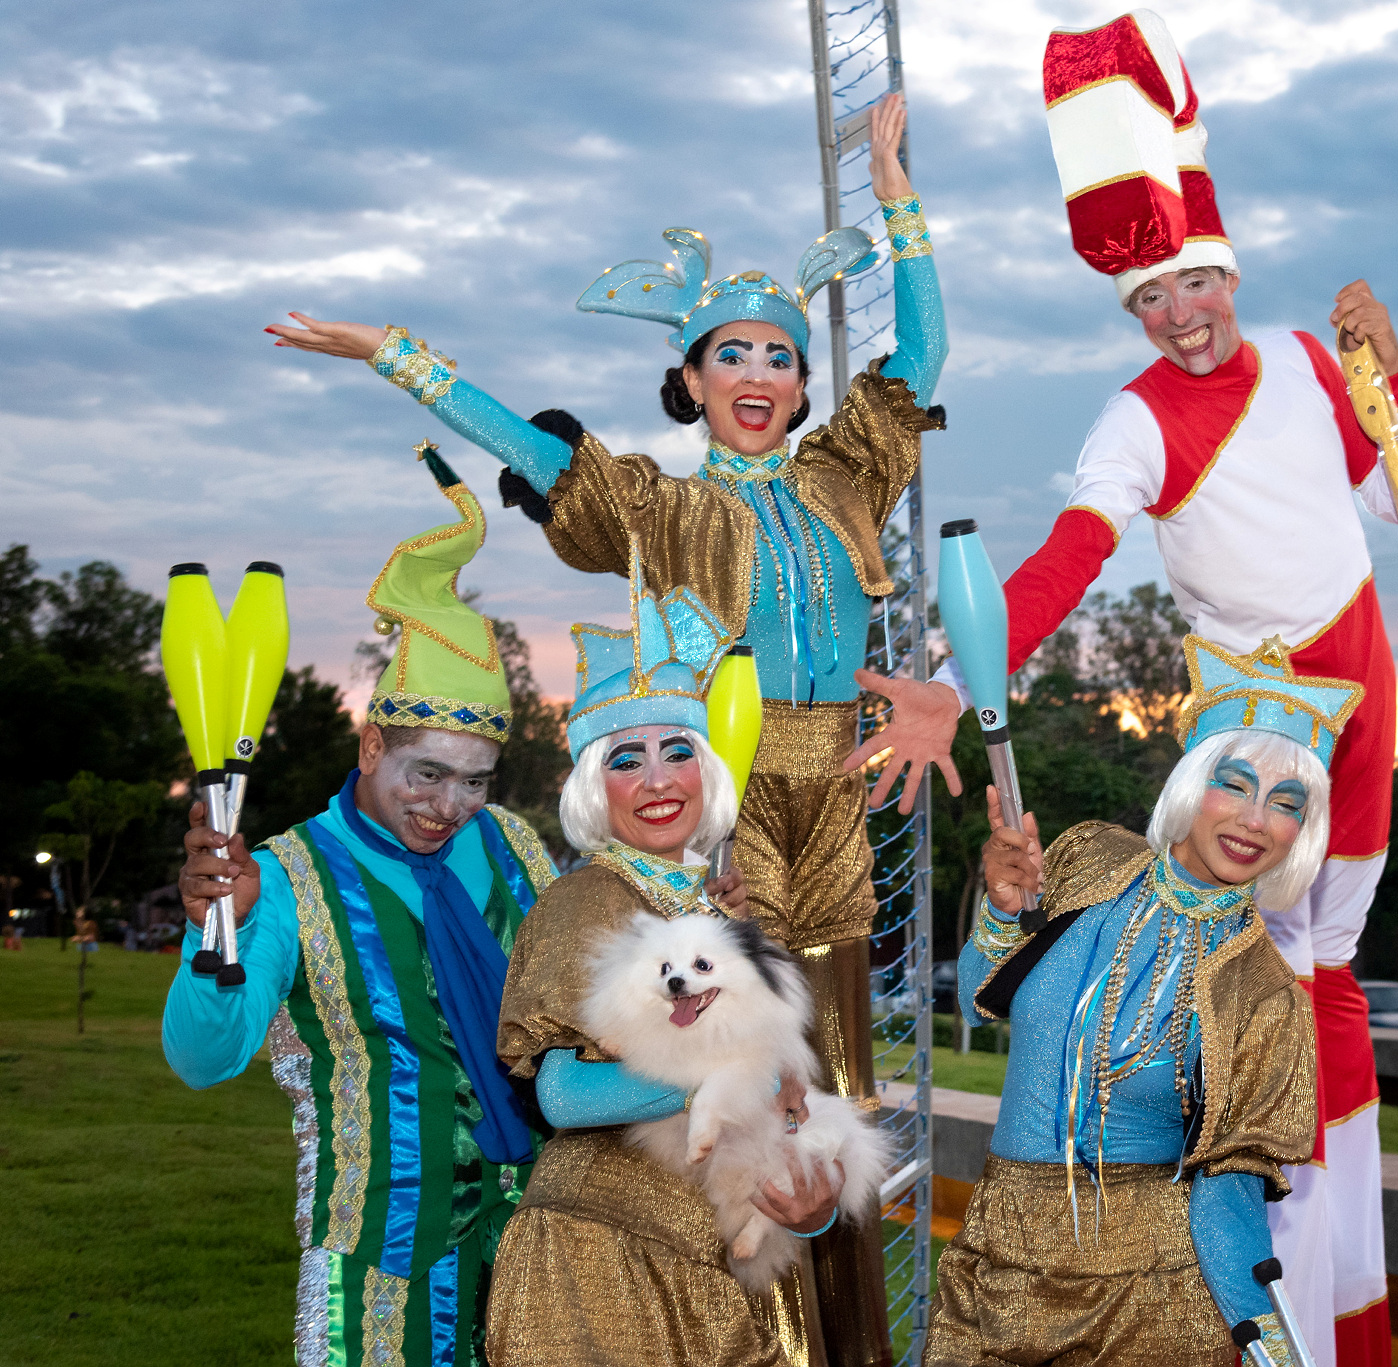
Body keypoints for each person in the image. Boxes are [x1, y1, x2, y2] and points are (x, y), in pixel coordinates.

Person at [268, 96, 946, 1360]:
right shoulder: (657, 508)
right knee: (741, 1105)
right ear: (686, 382)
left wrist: (894, 188)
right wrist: (396, 355)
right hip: (721, 812)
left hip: (837, 810)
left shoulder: (847, 471)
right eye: (727, 356)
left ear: (804, 383)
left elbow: (924, 350)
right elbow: (529, 441)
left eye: (778, 355)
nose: (756, 375)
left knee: (833, 1107)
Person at [910, 14, 1398, 1362]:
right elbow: (1075, 553)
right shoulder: (1133, 417)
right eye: (1150, 301)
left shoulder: (1309, 359)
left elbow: (1388, 486)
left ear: (1229, 271)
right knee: (1264, 970)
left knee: (1338, 973)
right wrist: (961, 680)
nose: (1179, 315)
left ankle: (1338, 1287)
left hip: (1369, 687)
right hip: (1262, 723)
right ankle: (1257, 1286)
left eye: (1194, 283)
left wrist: (1389, 368)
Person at [163, 450, 569, 1366]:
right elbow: (202, 1057)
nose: (449, 806)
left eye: (475, 780)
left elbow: (588, 997)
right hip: (381, 1273)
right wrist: (209, 934)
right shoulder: (283, 875)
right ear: (372, 739)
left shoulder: (512, 846)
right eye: (426, 773)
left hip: (542, 1246)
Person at [926, 634, 1361, 1367]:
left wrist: (1277, 1351)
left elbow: (1229, 1196)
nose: (1255, 819)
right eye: (1236, 783)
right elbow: (974, 1000)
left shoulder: (1269, 997)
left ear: (1302, 833)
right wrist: (1001, 915)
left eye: (1286, 803)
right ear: (1194, 783)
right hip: (997, 1255)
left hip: (1153, 1294)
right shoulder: (1088, 857)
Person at [489, 554, 836, 1366]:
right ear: (592, 786)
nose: (655, 780)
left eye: (676, 750)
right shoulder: (589, 899)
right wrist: (734, 1067)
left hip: (706, 1262)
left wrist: (810, 1205)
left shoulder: (723, 914)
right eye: (624, 758)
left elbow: (781, 1107)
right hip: (593, 1258)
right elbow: (565, 1093)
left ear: (707, 768)